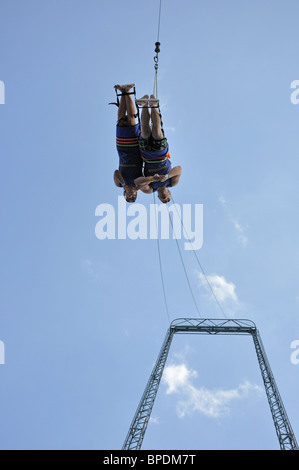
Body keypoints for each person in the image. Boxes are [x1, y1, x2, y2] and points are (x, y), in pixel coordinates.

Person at [134, 94, 181, 203]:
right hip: (161, 154)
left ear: (158, 197)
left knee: (145, 131)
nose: (164, 198)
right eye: (167, 199)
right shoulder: (171, 183)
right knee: (156, 131)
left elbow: (137, 182)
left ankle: (145, 104)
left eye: (162, 199)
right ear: (169, 193)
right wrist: (168, 176)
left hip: (147, 155)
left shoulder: (151, 189)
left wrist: (151, 179)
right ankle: (154, 105)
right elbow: (179, 169)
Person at [113, 84, 143, 203]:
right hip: (135, 148)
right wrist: (136, 188)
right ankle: (128, 91)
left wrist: (125, 184)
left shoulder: (119, 184)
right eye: (133, 196)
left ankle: (123, 92)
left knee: (121, 120)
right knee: (131, 119)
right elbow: (147, 180)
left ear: (124, 193)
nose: (130, 195)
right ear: (135, 194)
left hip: (123, 148)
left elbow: (116, 172)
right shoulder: (138, 184)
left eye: (127, 196)